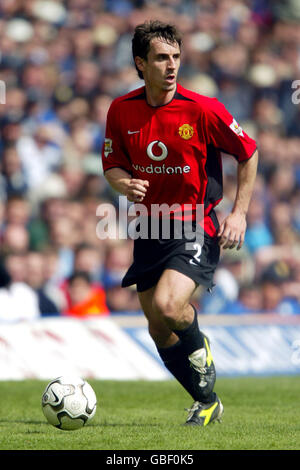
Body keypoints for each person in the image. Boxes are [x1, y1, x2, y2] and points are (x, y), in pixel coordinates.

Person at [101, 21, 258, 426]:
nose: (171, 66)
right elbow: (112, 165)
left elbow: (248, 152)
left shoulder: (203, 109)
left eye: (176, 57)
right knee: (157, 327)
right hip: (149, 228)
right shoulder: (121, 110)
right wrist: (124, 183)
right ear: (141, 63)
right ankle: (206, 400)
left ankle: (199, 344)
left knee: (171, 306)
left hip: (194, 223)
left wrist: (239, 213)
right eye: (161, 58)